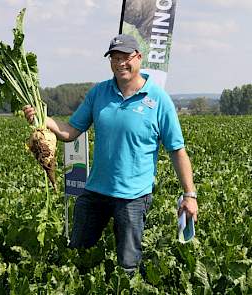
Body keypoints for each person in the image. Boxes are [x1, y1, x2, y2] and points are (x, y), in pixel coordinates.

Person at [23, 34, 198, 277]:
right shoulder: (99, 93)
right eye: (114, 58)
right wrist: (42, 120)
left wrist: (190, 195)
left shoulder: (158, 100)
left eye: (125, 57)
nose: (120, 63)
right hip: (95, 192)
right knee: (77, 258)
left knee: (127, 267)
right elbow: (70, 132)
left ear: (138, 58)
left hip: (133, 197)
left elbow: (177, 151)